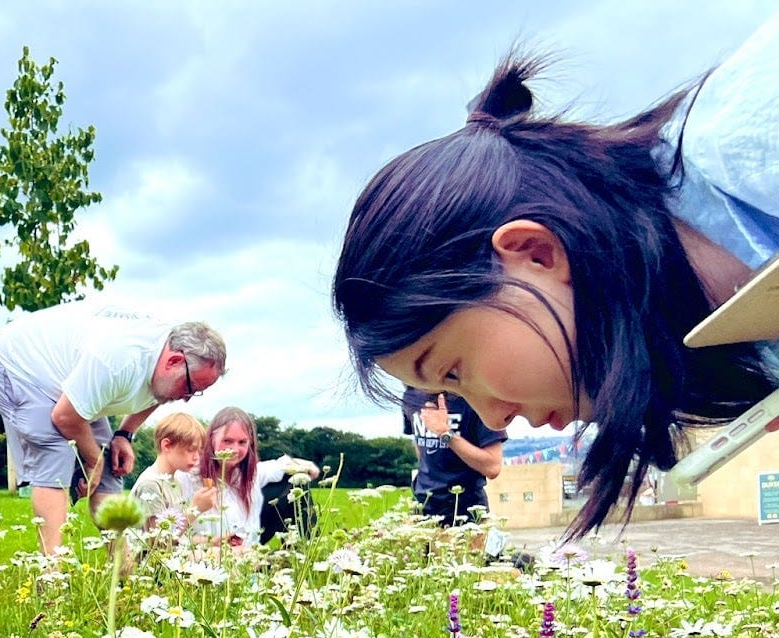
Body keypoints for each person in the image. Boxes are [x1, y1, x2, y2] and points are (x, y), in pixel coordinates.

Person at [332, 17, 779, 534]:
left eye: (454, 371)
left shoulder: (748, 133)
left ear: (535, 253)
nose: (494, 419)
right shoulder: (721, 338)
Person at [0, 303, 226, 554]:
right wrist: (92, 462)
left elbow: (160, 394)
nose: (186, 398)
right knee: (56, 453)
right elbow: (65, 416)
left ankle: (123, 568)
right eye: (189, 387)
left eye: (195, 393)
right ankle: (51, 576)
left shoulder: (167, 359)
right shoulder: (119, 360)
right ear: (174, 361)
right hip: (21, 365)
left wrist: (124, 434)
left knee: (110, 461)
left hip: (72, 375)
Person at [184, 407, 318, 544]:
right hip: (211, 557)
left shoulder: (250, 474)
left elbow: (279, 465)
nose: (235, 450)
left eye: (242, 442)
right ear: (211, 438)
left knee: (296, 482)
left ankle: (303, 550)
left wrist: (308, 467)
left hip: (251, 556)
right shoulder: (189, 477)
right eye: (227, 441)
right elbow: (172, 535)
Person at [402, 387, 505, 524]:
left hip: (467, 509)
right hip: (423, 503)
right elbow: (420, 447)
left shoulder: (479, 397)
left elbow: (492, 467)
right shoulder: (411, 395)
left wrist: (445, 433)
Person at [130, 408, 213, 529]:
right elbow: (157, 541)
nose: (196, 458)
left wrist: (214, 541)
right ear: (167, 445)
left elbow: (176, 540)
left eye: (199, 451)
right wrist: (195, 509)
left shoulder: (174, 482)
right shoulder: (151, 485)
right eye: (190, 450)